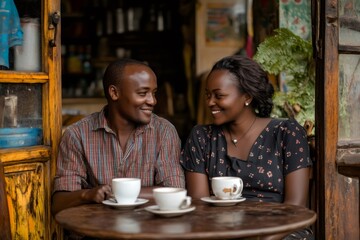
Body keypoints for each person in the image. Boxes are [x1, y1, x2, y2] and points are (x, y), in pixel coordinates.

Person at [180, 55, 313, 240]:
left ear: (247, 97)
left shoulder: (287, 133)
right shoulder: (202, 137)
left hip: (282, 232)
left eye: (219, 96)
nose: (210, 102)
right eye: (207, 95)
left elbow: (296, 207)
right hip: (221, 232)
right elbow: (200, 208)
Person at [52, 58, 185, 216]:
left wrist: (115, 194)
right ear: (114, 93)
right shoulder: (77, 135)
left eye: (154, 93)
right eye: (143, 93)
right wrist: (87, 194)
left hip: (148, 232)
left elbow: (175, 192)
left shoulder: (164, 132)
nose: (152, 101)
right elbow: (58, 204)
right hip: (95, 232)